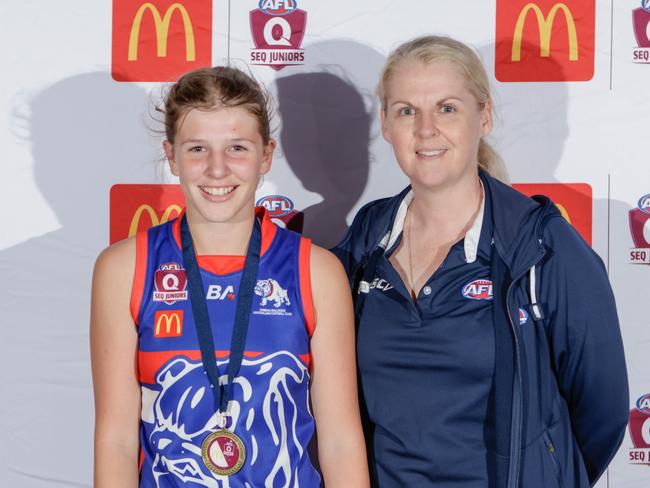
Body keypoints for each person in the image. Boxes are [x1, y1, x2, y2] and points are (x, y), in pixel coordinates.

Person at [333, 36, 628, 488]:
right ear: (387, 126)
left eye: (447, 108)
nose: (426, 129)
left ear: (484, 116)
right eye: (407, 110)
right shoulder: (368, 238)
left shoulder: (543, 245)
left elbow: (601, 410)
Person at [90, 66, 369, 487]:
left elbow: (341, 442)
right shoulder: (124, 269)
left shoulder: (315, 271)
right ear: (172, 157)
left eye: (237, 147)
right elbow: (116, 439)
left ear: (266, 154)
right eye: (198, 149)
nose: (218, 170)